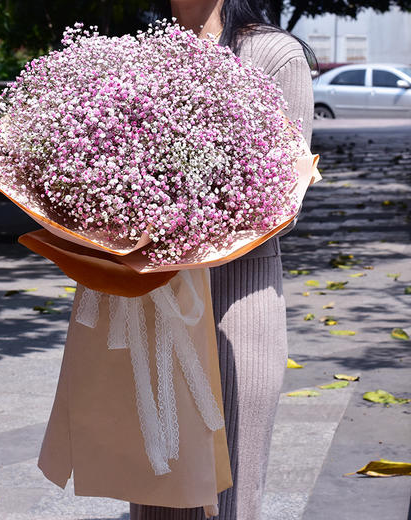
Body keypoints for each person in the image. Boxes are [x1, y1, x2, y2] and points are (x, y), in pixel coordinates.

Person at [129, 0, 317, 519]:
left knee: (230, 490)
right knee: (155, 491)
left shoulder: (275, 55)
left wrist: (184, 218)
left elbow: (284, 197)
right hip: (155, 301)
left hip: (239, 298)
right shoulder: (144, 57)